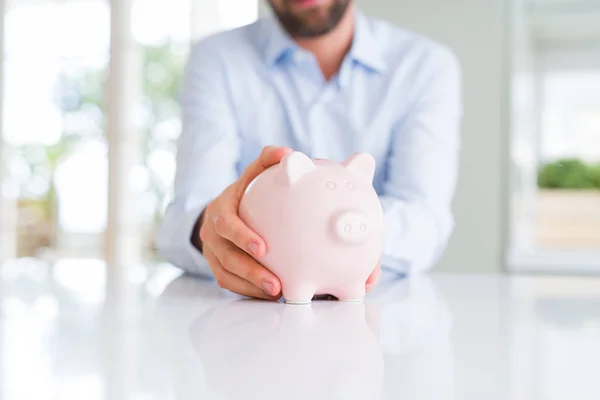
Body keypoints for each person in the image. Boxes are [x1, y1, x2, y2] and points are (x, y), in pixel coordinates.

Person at [155, 0, 463, 301]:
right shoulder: (216, 59)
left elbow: (424, 222)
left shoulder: (425, 66)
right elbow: (183, 218)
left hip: (380, 314)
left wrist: (323, 231)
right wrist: (213, 232)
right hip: (252, 318)